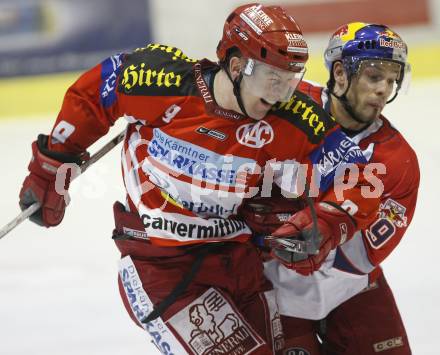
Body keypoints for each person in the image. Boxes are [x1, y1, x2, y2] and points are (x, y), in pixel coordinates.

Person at [18, 4, 380, 354]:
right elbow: (97, 93)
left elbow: (361, 177)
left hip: (241, 263)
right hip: (162, 270)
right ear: (237, 65)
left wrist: (331, 222)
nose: (281, 95)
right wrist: (52, 163)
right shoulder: (161, 80)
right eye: (272, 79)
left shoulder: (294, 120)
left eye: (290, 82)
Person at [241, 22, 419, 354]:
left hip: (349, 288)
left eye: (392, 80)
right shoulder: (286, 104)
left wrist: (321, 235)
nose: (383, 89)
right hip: (271, 287)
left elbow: (364, 255)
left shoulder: (397, 161)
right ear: (340, 72)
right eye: (374, 76)